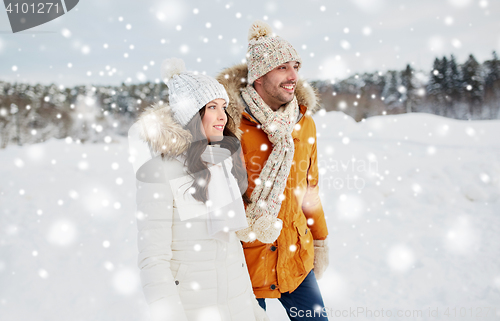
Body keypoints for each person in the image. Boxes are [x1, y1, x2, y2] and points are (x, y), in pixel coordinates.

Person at [128, 58, 269, 321]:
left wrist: (254, 311)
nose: (222, 116)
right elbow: (153, 260)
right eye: (212, 107)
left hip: (237, 308)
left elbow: (232, 250)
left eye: (224, 107)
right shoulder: (160, 172)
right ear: (191, 114)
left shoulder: (221, 163)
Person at [216, 21, 330, 320]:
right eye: (282, 67)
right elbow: (215, 197)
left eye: (296, 66)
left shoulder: (304, 124)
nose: (293, 76)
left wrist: (319, 240)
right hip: (246, 265)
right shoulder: (230, 126)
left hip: (296, 259)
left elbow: (309, 188)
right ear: (258, 76)